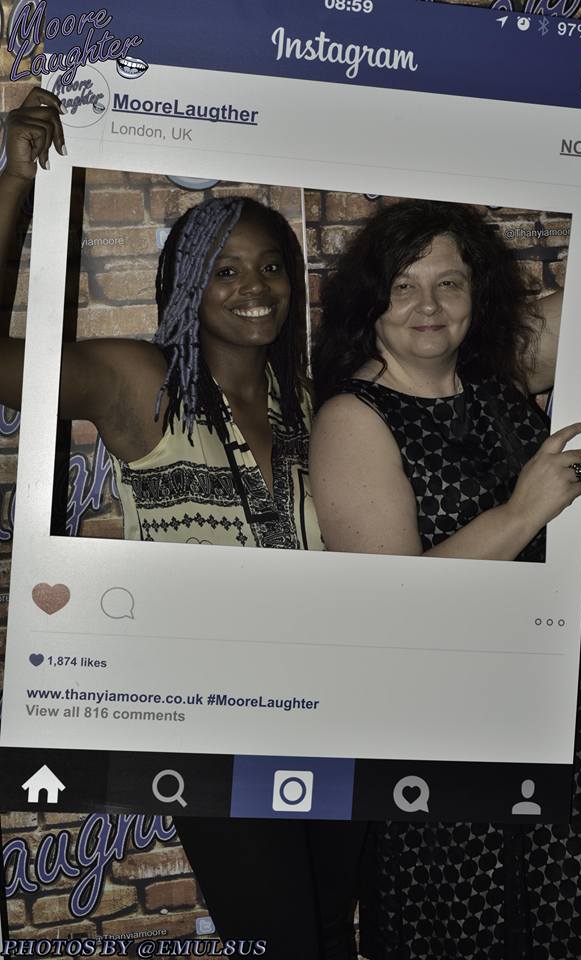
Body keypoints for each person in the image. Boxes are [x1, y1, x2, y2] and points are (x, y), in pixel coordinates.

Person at [0, 88, 364, 960]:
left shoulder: (314, 402)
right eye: (224, 270)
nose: (254, 288)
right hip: (210, 720)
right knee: (279, 939)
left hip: (333, 705)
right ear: (186, 282)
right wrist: (14, 181)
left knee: (328, 931)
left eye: (270, 267)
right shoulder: (143, 383)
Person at [310, 29, 581, 960]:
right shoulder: (353, 417)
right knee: (473, 920)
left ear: (476, 293)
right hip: (456, 708)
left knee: (578, 909)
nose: (429, 306)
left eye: (449, 283)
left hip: (566, 674)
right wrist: (526, 510)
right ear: (370, 301)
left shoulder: (499, 365)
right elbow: (395, 600)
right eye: (405, 286)